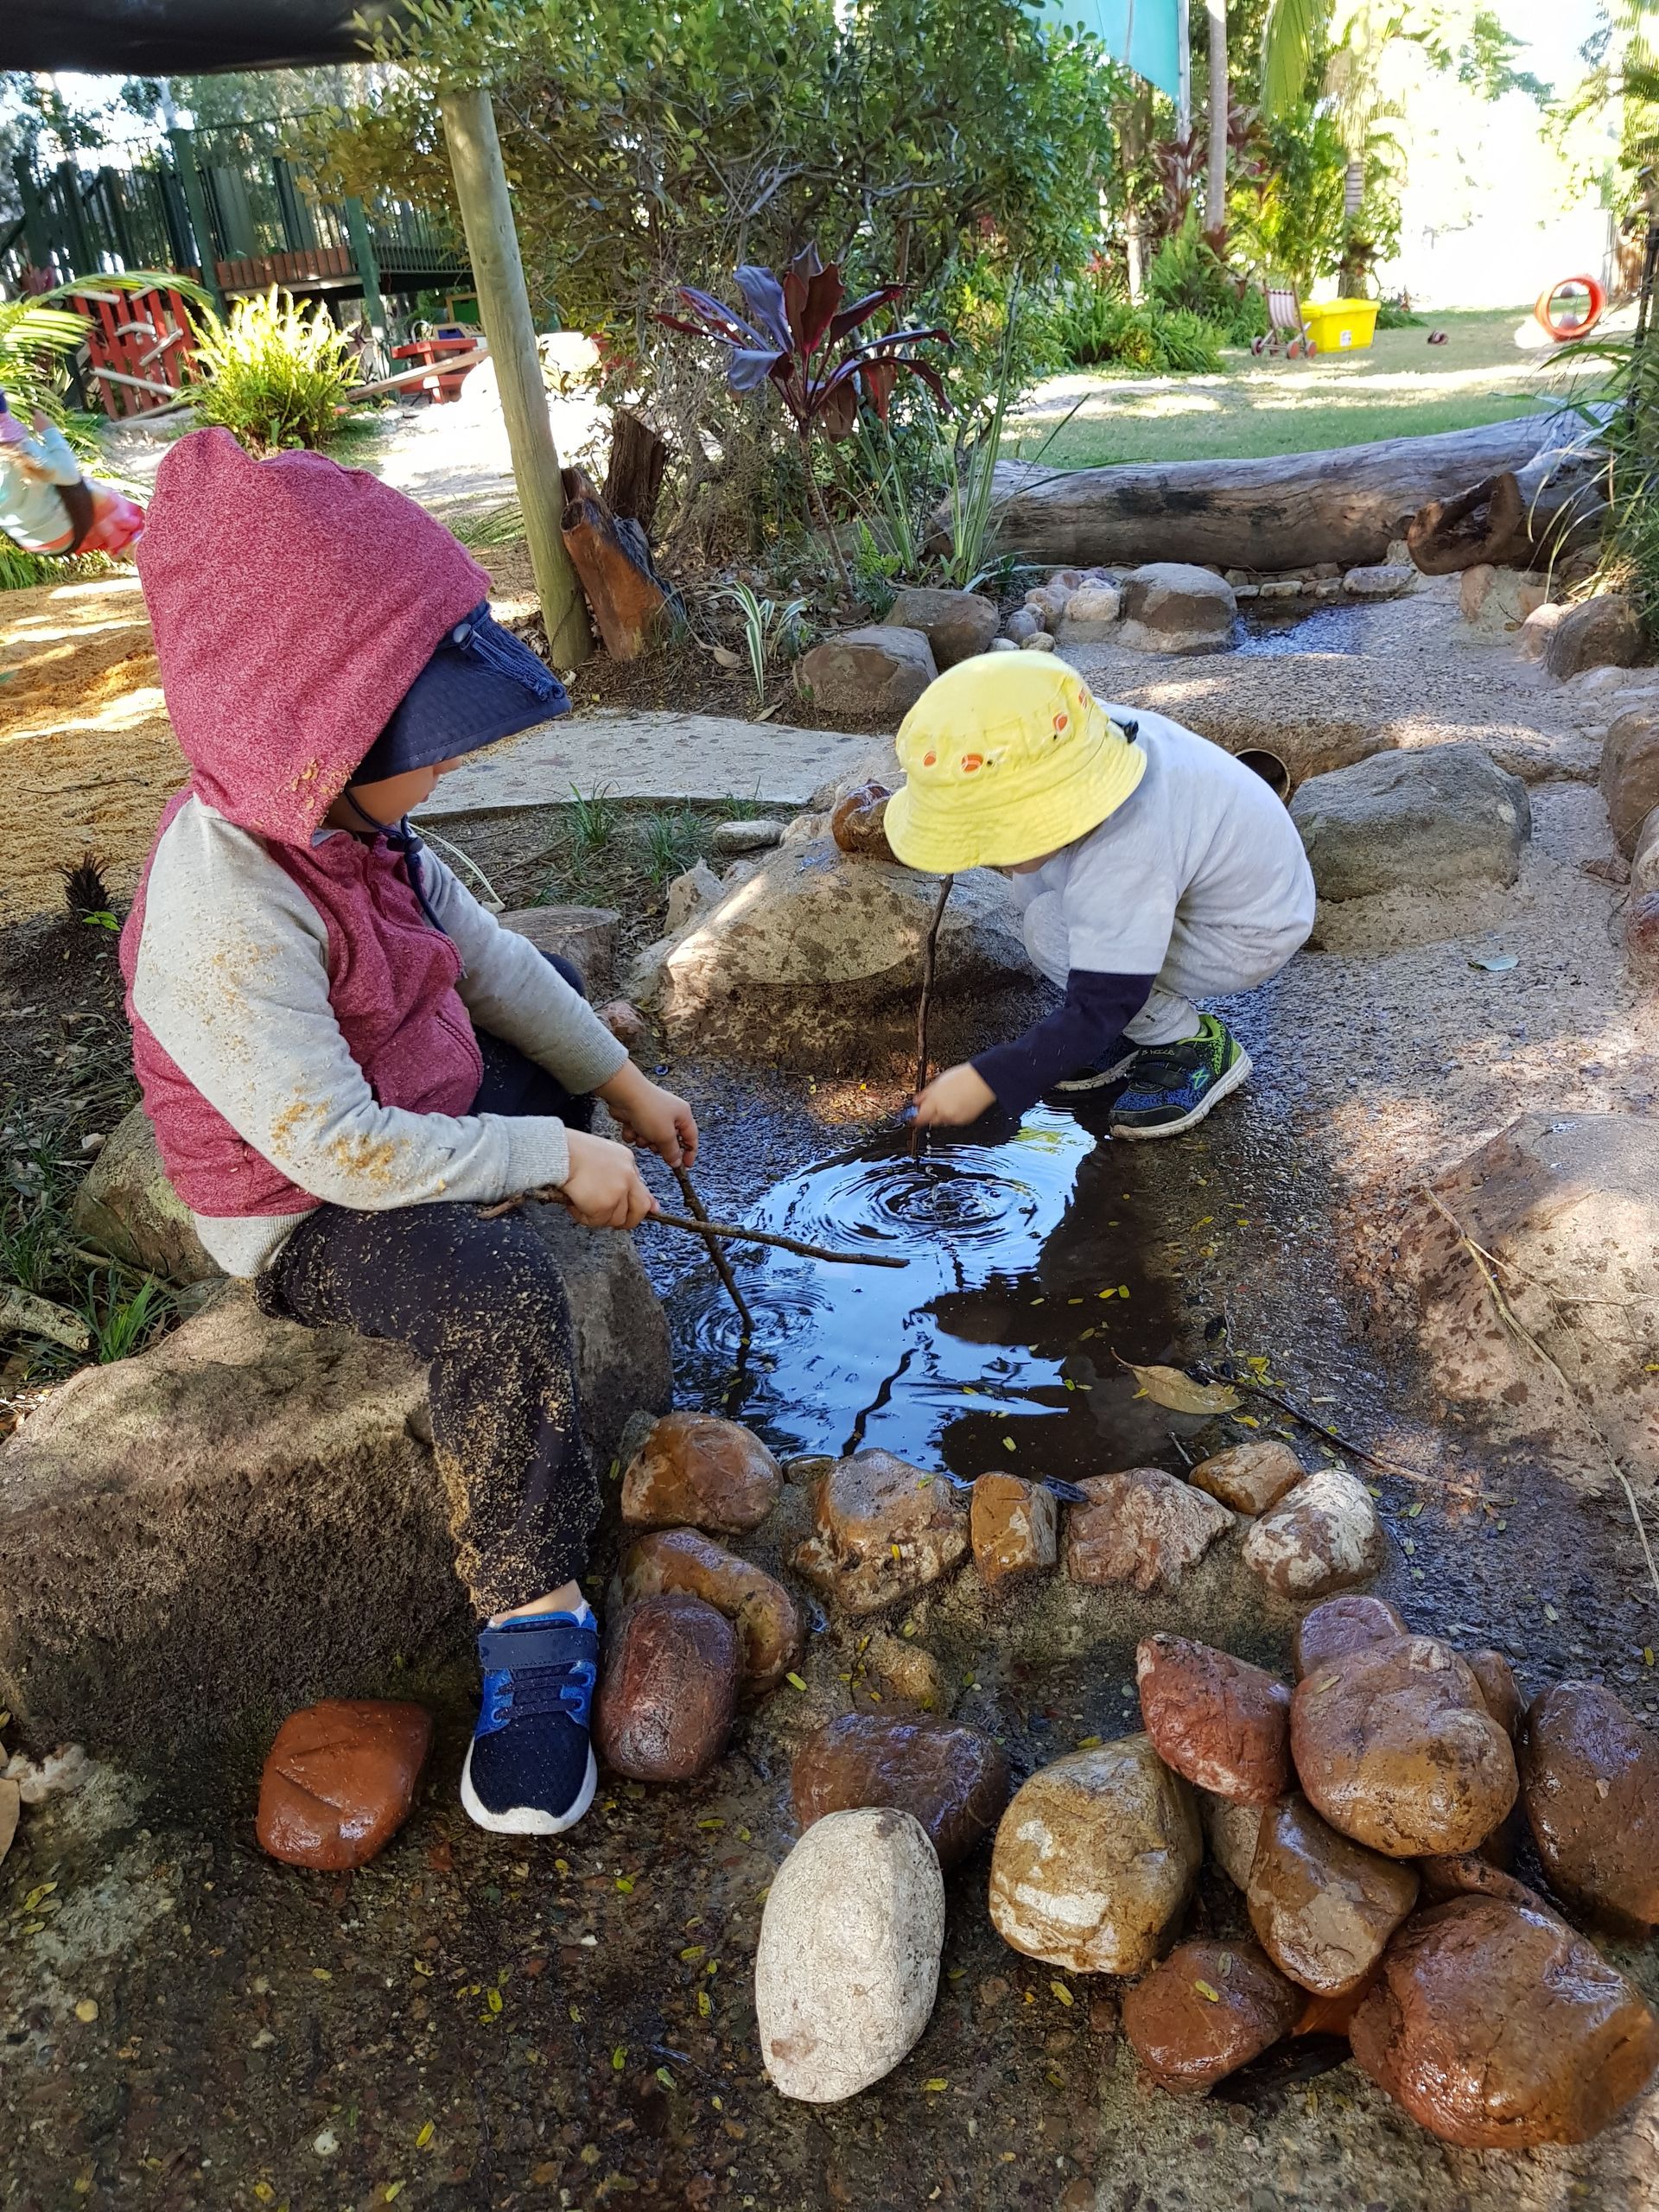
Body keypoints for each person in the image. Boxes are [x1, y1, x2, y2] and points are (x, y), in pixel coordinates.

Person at [122, 426, 698, 1839]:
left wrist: (616, 1091)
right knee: (497, 1308)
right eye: (418, 747)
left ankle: (520, 1171)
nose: (441, 776)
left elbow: (495, 964)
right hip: (310, 1202)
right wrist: (555, 1164)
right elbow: (336, 1150)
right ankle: (531, 1618)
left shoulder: (360, 836)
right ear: (311, 742)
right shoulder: (223, 910)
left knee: (548, 1041)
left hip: (411, 1111)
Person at [887, 653, 1314, 1139]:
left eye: (987, 831)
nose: (979, 851)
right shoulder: (1063, 738)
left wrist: (990, 1078)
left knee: (1048, 930)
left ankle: (1191, 1044)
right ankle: (1138, 1029)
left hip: (1246, 931)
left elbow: (1103, 1000)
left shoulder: (1126, 846)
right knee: (1033, 889)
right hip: (1217, 888)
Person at [0, 391, 145, 557]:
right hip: (66, 531)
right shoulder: (21, 451)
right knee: (92, 490)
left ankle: (122, 544)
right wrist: (50, 432)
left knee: (58, 492)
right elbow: (70, 475)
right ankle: (137, 546)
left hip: (34, 543)